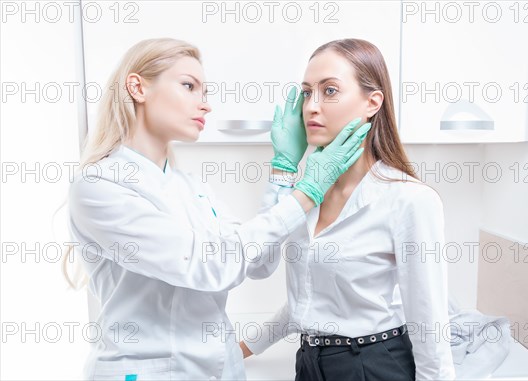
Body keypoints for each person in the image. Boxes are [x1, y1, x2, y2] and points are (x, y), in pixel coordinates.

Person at [63, 37, 371, 380]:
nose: (205, 105)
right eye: (189, 86)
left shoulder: (192, 188)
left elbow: (259, 262)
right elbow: (212, 264)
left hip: (219, 369)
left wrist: (284, 172)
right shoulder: (100, 186)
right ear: (138, 88)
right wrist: (307, 193)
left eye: (205, 92)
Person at [240, 39, 456, 381]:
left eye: (329, 91)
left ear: (372, 102)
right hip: (309, 363)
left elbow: (428, 319)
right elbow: (287, 287)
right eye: (307, 92)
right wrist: (284, 170)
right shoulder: (305, 197)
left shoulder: (408, 200)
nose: (312, 106)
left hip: (372, 364)